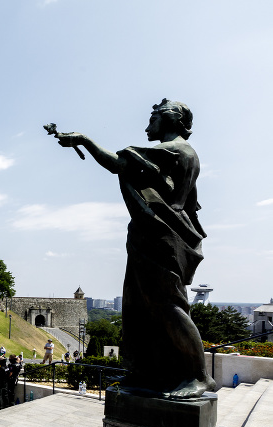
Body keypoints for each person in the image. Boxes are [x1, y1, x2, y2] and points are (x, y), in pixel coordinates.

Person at [54, 99, 214, 398]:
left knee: (169, 307)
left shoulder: (176, 150)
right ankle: (149, 373)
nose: (147, 126)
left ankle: (200, 376)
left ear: (169, 119)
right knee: (141, 308)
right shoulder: (180, 154)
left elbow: (118, 163)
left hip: (162, 238)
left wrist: (84, 140)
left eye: (152, 118)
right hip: (150, 236)